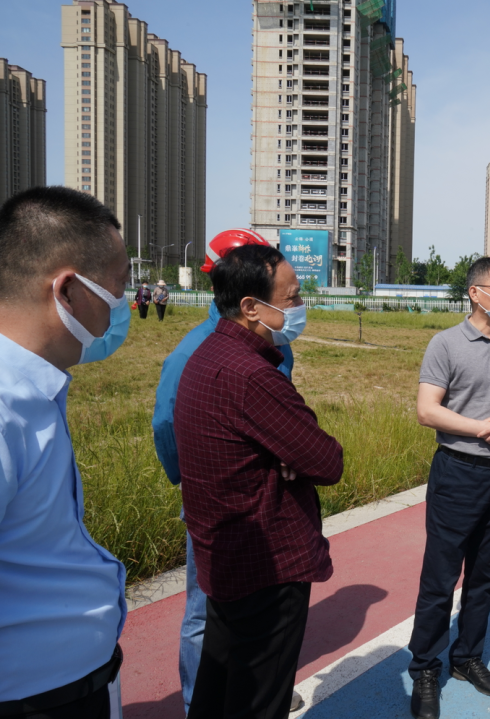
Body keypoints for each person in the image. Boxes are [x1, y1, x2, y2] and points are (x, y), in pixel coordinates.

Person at [0, 186, 130, 718]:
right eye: (119, 287)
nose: (124, 306)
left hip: (71, 689)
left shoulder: (25, 389)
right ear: (68, 291)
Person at [174, 244, 342, 719]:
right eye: (292, 298)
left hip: (225, 558)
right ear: (251, 307)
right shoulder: (252, 376)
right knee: (259, 700)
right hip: (268, 567)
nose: (300, 307)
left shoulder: (207, 354)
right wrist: (289, 454)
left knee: (218, 688)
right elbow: (327, 460)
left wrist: (285, 451)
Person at [151, 229, 297, 714]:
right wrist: (196, 479)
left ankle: (252, 685)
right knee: (206, 610)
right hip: (217, 501)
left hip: (267, 502)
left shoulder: (275, 339)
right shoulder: (194, 348)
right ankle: (200, 702)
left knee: (258, 604)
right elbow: (166, 423)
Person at [407, 256, 490, 719]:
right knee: (440, 578)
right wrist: (484, 428)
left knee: (485, 575)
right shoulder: (445, 344)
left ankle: (467, 657)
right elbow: (427, 410)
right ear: (475, 293)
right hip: (458, 473)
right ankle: (425, 668)